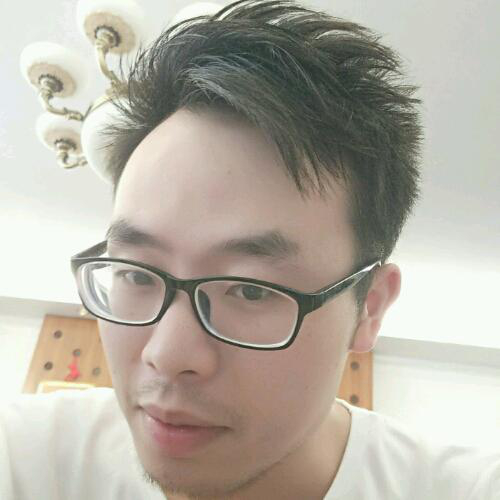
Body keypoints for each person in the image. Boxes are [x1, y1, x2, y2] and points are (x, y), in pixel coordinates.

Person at [1, 1, 499, 499]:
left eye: (251, 290)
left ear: (369, 306)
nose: (167, 355)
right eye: (136, 274)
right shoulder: (27, 457)